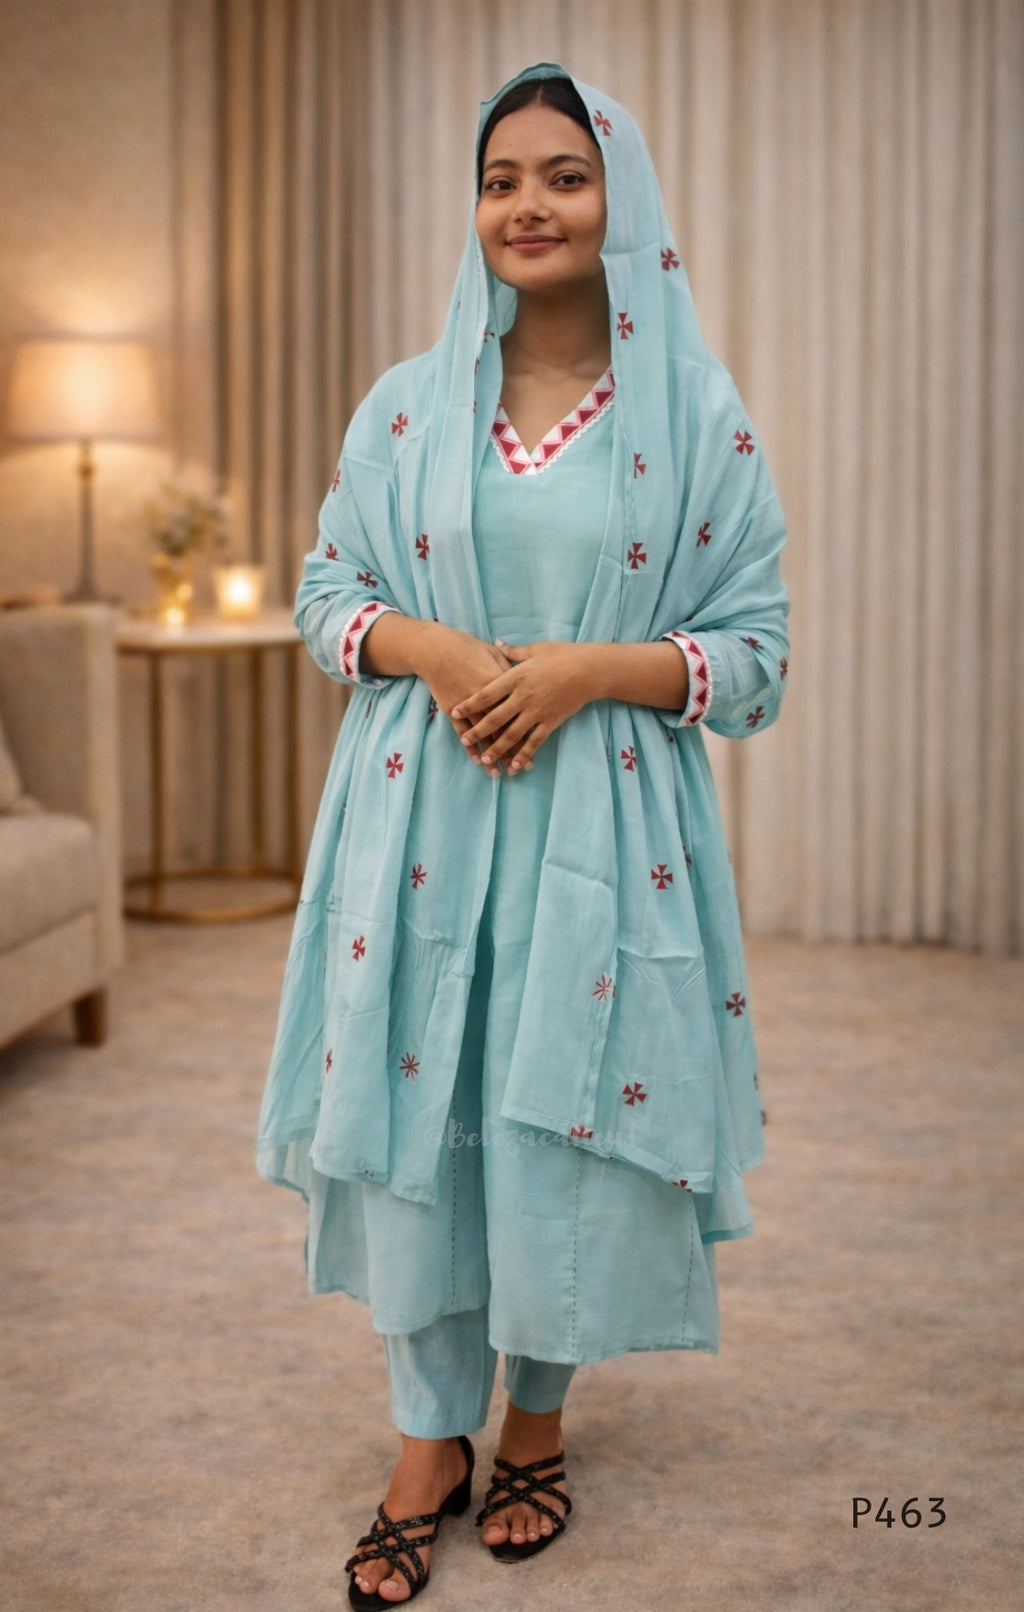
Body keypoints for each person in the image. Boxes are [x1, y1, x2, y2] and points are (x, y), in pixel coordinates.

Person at [256, 62, 790, 1608]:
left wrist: (587, 673)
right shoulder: (406, 404)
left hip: (603, 835)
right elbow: (323, 597)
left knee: (560, 1107)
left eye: (565, 173)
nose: (528, 206)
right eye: (501, 178)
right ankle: (428, 1439)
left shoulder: (695, 413)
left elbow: (752, 658)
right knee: (427, 1115)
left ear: (620, 197)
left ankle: (539, 1421)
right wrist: (426, 648)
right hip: (418, 826)